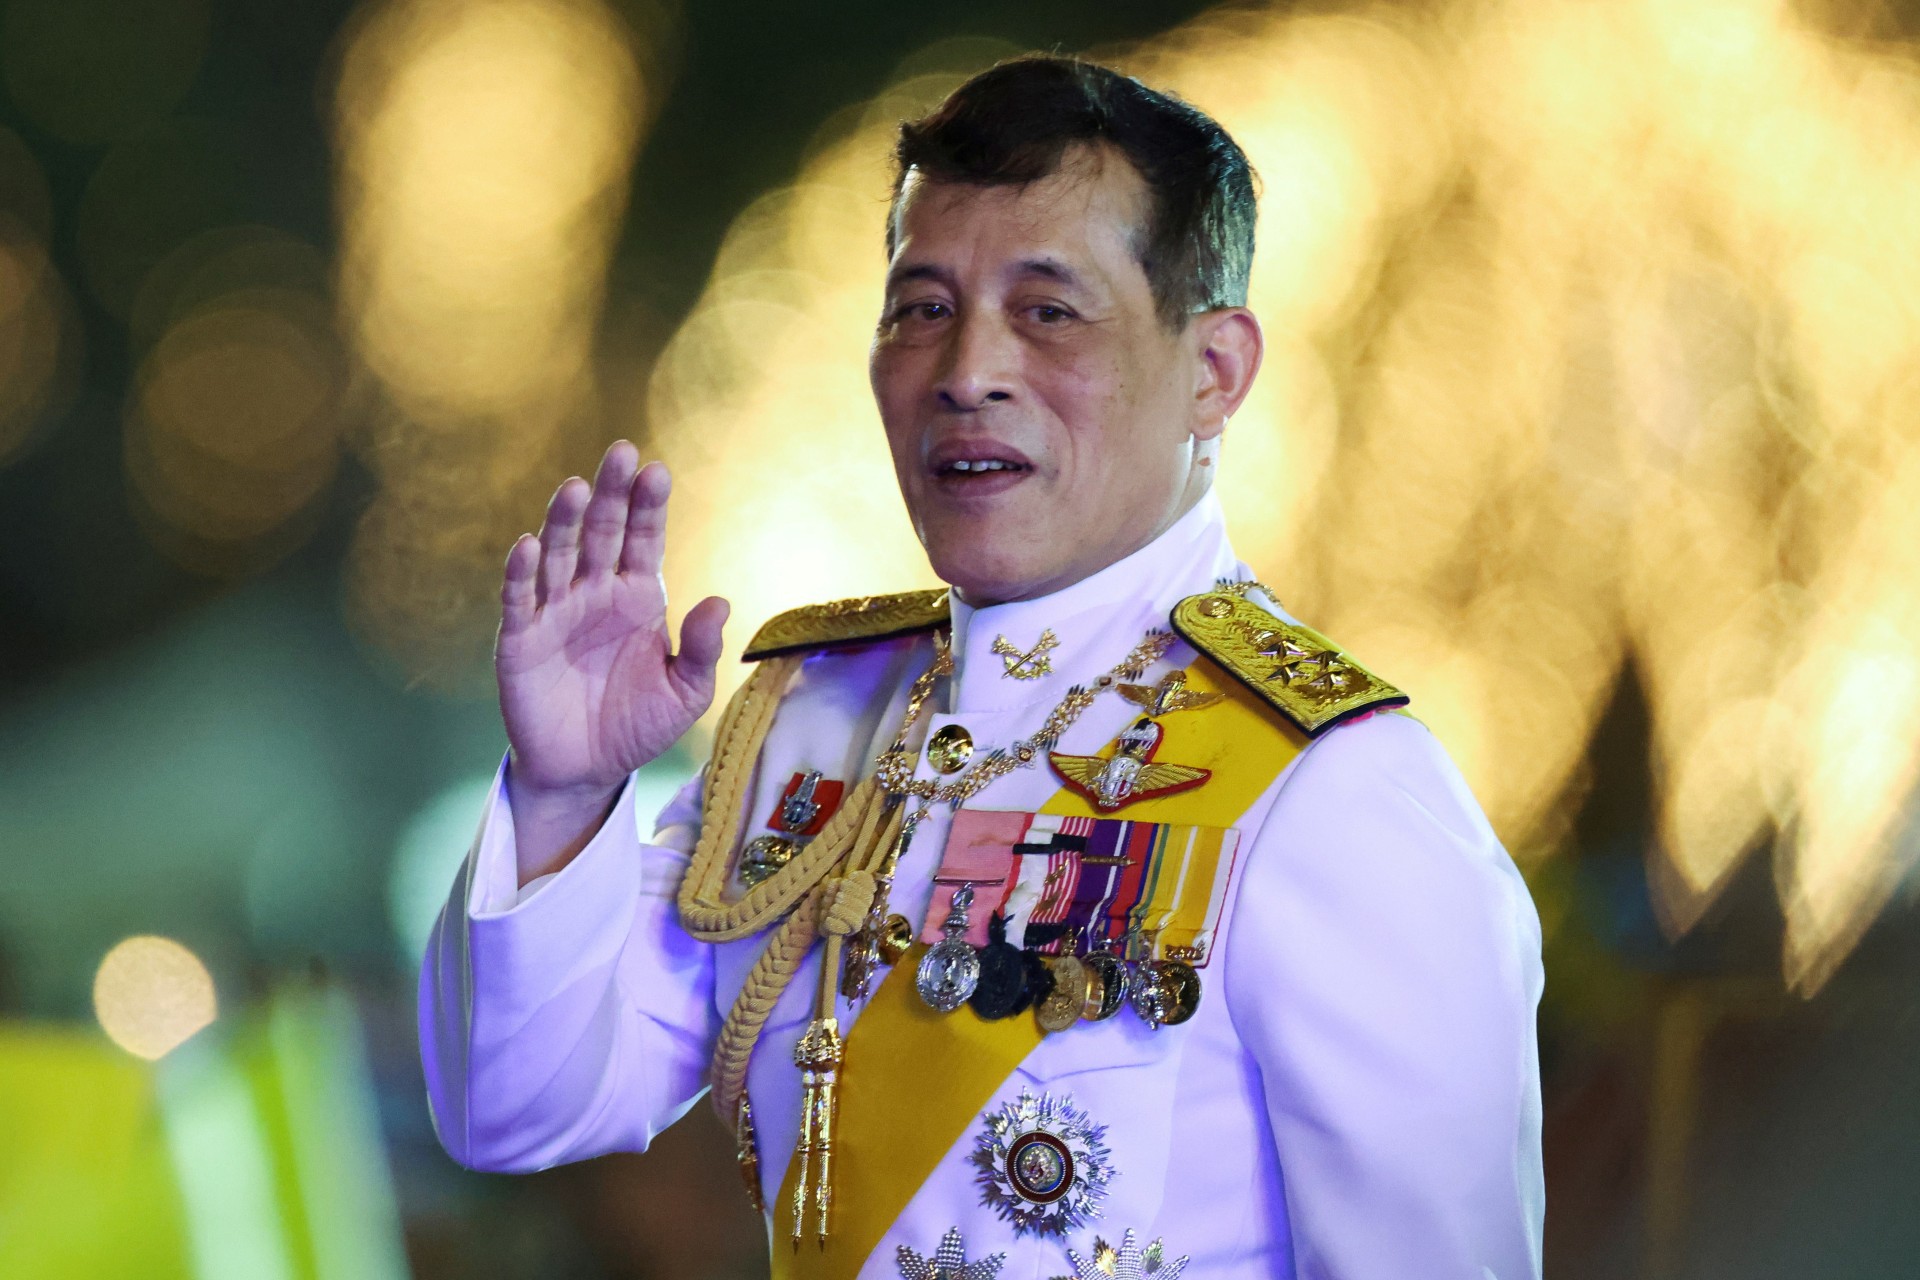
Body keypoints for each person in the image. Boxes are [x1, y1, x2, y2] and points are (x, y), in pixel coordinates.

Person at [420, 55, 1544, 1280]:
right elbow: (514, 1107)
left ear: (1213, 372)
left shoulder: (1332, 788)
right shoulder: (814, 724)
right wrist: (566, 792)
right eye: (922, 308)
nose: (966, 372)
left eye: (1049, 311)